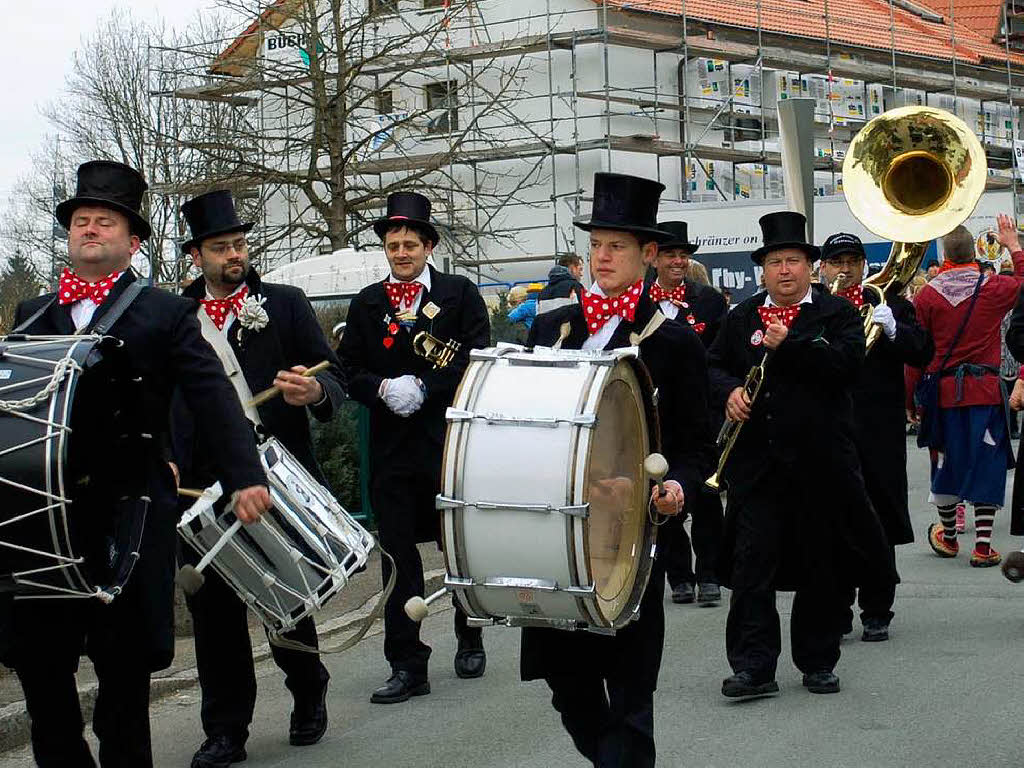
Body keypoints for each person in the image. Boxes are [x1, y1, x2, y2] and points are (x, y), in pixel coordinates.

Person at [0, 161, 270, 768]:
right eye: (80, 220)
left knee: (122, 685)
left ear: (133, 241)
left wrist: (246, 474)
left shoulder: (164, 313)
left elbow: (211, 395)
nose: (89, 229)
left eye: (104, 220)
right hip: (43, 522)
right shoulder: (31, 317)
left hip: (128, 513)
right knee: (44, 679)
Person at [524, 173, 714, 767]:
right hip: (557, 530)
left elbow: (696, 446)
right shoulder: (551, 329)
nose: (602, 257)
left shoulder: (674, 340)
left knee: (631, 691)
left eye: (617, 247)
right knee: (567, 686)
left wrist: (673, 485)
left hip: (632, 534)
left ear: (648, 255)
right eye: (596, 245)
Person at [170, 190, 347, 767]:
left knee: (284, 594)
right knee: (216, 617)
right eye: (220, 248)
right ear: (196, 256)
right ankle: (226, 730)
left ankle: (307, 688)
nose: (234, 256)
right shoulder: (173, 315)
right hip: (202, 486)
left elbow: (331, 374)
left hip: (277, 474)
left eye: (239, 245)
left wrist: (316, 391)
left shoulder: (287, 303)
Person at [708, 211, 893, 700]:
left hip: (820, 464)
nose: (784, 270)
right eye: (774, 262)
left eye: (793, 260)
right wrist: (728, 390)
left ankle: (817, 661)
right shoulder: (741, 317)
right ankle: (753, 667)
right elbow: (713, 366)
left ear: (810, 266)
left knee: (821, 565)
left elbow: (846, 366)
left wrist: (792, 346)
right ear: (762, 270)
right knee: (752, 568)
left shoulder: (837, 314)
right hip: (757, 466)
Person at [337, 191, 490, 703]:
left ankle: (470, 632)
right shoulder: (368, 302)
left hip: (447, 442)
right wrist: (379, 389)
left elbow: (476, 358)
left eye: (410, 243)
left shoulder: (459, 293)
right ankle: (406, 663)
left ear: (429, 245)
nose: (401, 252)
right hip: (391, 448)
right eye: (392, 244)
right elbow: (348, 367)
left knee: (457, 544)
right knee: (396, 558)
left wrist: (425, 387)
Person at [818, 233, 933, 642]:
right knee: (834, 520)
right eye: (836, 261)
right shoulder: (817, 307)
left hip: (878, 430)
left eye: (852, 260)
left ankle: (877, 606)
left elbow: (923, 352)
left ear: (866, 264)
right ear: (823, 267)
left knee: (879, 516)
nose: (845, 268)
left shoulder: (891, 302)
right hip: (829, 428)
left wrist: (894, 328)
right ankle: (836, 605)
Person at [909, 217, 1024, 568]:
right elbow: (1022, 281)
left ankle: (948, 536)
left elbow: (917, 352)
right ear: (974, 251)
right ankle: (983, 545)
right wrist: (1013, 246)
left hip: (942, 394)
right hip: (985, 391)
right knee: (987, 463)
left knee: (944, 461)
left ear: (944, 253)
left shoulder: (926, 295)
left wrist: (910, 397)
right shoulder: (992, 288)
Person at [647, 220, 727, 607]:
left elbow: (721, 355)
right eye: (670, 254)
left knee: (708, 494)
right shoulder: (640, 302)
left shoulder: (709, 300)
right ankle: (680, 575)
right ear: (655, 258)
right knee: (662, 493)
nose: (678, 261)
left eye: (683, 255)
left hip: (702, 414)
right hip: (656, 418)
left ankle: (710, 573)